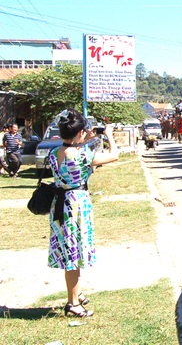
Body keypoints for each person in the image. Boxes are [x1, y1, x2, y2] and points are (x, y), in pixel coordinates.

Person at [47, 108, 119, 318]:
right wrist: (109, 135)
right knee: (74, 254)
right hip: (77, 204)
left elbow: (71, 149)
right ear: (79, 133)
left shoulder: (54, 153)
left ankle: (75, 294)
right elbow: (114, 155)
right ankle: (72, 303)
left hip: (59, 203)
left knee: (68, 250)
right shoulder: (83, 154)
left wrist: (84, 138)